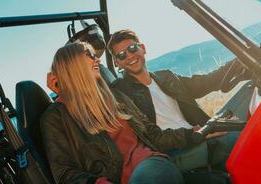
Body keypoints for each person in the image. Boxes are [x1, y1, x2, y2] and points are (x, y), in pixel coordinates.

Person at [41, 41, 209, 184]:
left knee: (228, 140)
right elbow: (65, 173)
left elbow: (153, 134)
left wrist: (191, 134)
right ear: (72, 64)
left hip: (151, 163)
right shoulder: (56, 116)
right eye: (90, 55)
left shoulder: (115, 96)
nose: (97, 59)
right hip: (117, 179)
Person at [107, 29, 249, 172]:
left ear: (142, 48)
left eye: (132, 48)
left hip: (200, 133)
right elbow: (152, 137)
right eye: (121, 55)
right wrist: (193, 134)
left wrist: (238, 62)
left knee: (251, 90)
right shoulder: (120, 92)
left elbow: (206, 82)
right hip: (177, 151)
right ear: (117, 63)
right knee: (244, 137)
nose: (130, 56)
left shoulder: (166, 77)